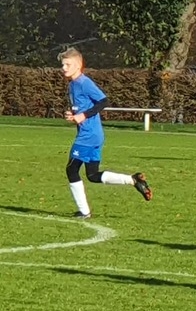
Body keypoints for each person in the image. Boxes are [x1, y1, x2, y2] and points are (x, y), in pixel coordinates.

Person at [60, 48, 151, 217]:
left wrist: (83, 116)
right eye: (63, 64)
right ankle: (133, 180)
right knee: (93, 175)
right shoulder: (72, 85)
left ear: (78, 65)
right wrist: (73, 115)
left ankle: (84, 212)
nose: (64, 68)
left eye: (67, 64)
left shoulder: (84, 82)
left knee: (71, 170)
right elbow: (82, 107)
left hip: (89, 135)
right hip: (94, 135)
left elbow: (103, 101)